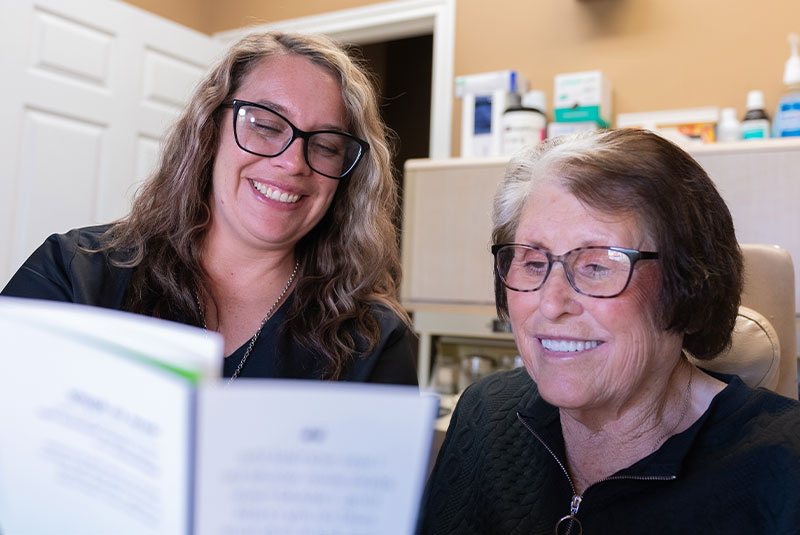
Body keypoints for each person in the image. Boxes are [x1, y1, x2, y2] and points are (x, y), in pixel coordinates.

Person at [418, 129, 800, 533]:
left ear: (690, 288)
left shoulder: (785, 466)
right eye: (532, 263)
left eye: (598, 265)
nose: (551, 303)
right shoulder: (484, 414)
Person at [2, 31, 418, 385]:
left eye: (326, 145)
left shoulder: (372, 340)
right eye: (267, 125)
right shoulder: (74, 276)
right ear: (209, 131)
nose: (292, 163)